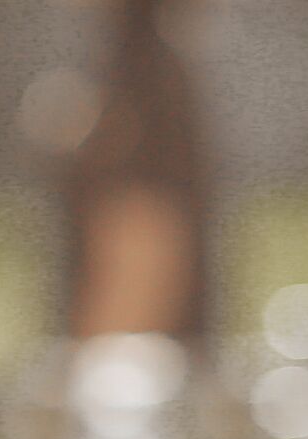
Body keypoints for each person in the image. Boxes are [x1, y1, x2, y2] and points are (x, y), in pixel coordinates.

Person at [57, 0, 215, 346]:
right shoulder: (138, 65)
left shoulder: (143, 77)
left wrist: (87, 374)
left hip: (127, 374)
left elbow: (145, 247)